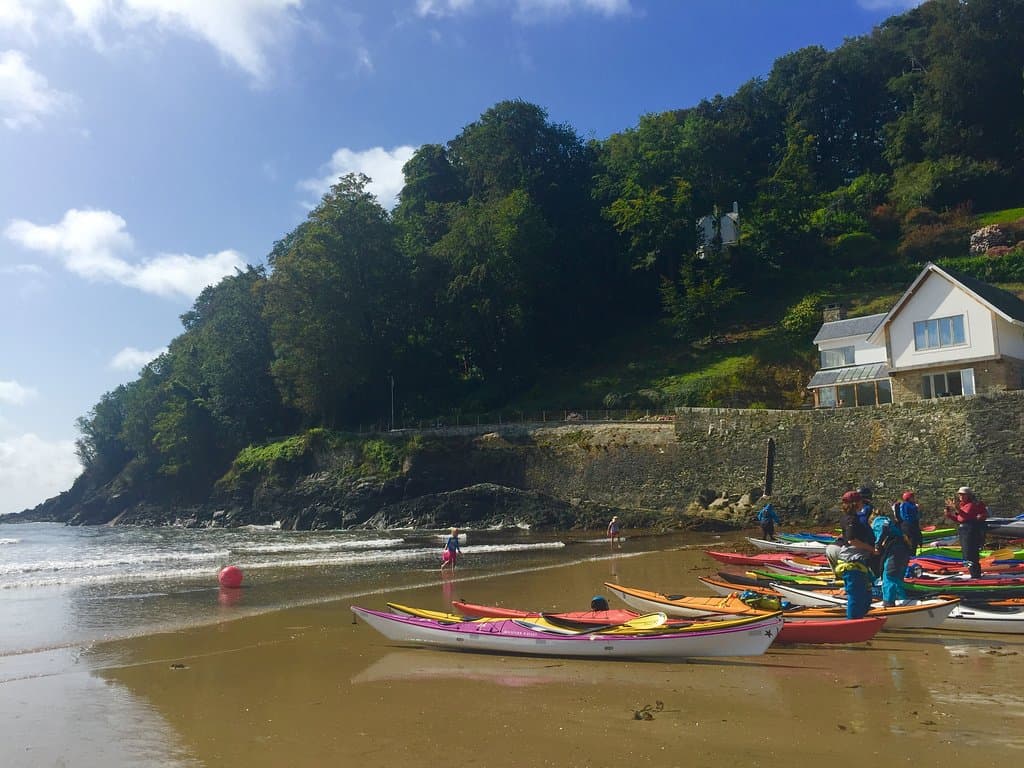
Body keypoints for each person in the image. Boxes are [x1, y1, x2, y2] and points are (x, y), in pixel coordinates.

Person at [829, 490, 875, 619]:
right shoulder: (851, 519)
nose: (863, 504)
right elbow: (851, 540)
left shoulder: (852, 517)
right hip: (852, 561)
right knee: (856, 596)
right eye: (861, 501)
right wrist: (871, 549)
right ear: (856, 503)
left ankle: (861, 619)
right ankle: (852, 622)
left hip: (859, 561)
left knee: (866, 594)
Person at [870, 504, 911, 607]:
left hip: (894, 551)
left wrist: (877, 545)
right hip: (903, 551)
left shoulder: (878, 521)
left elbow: (883, 528)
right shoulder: (889, 521)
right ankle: (901, 599)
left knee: (889, 576)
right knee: (897, 577)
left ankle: (888, 602)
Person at [945, 486, 988, 578]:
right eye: (960, 495)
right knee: (966, 553)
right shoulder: (963, 505)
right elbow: (960, 519)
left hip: (970, 530)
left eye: (963, 495)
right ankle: (972, 572)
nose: (961, 496)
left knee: (970, 553)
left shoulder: (971, 505)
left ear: (969, 495)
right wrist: (949, 515)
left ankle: (975, 574)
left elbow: (966, 516)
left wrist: (956, 508)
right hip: (964, 530)